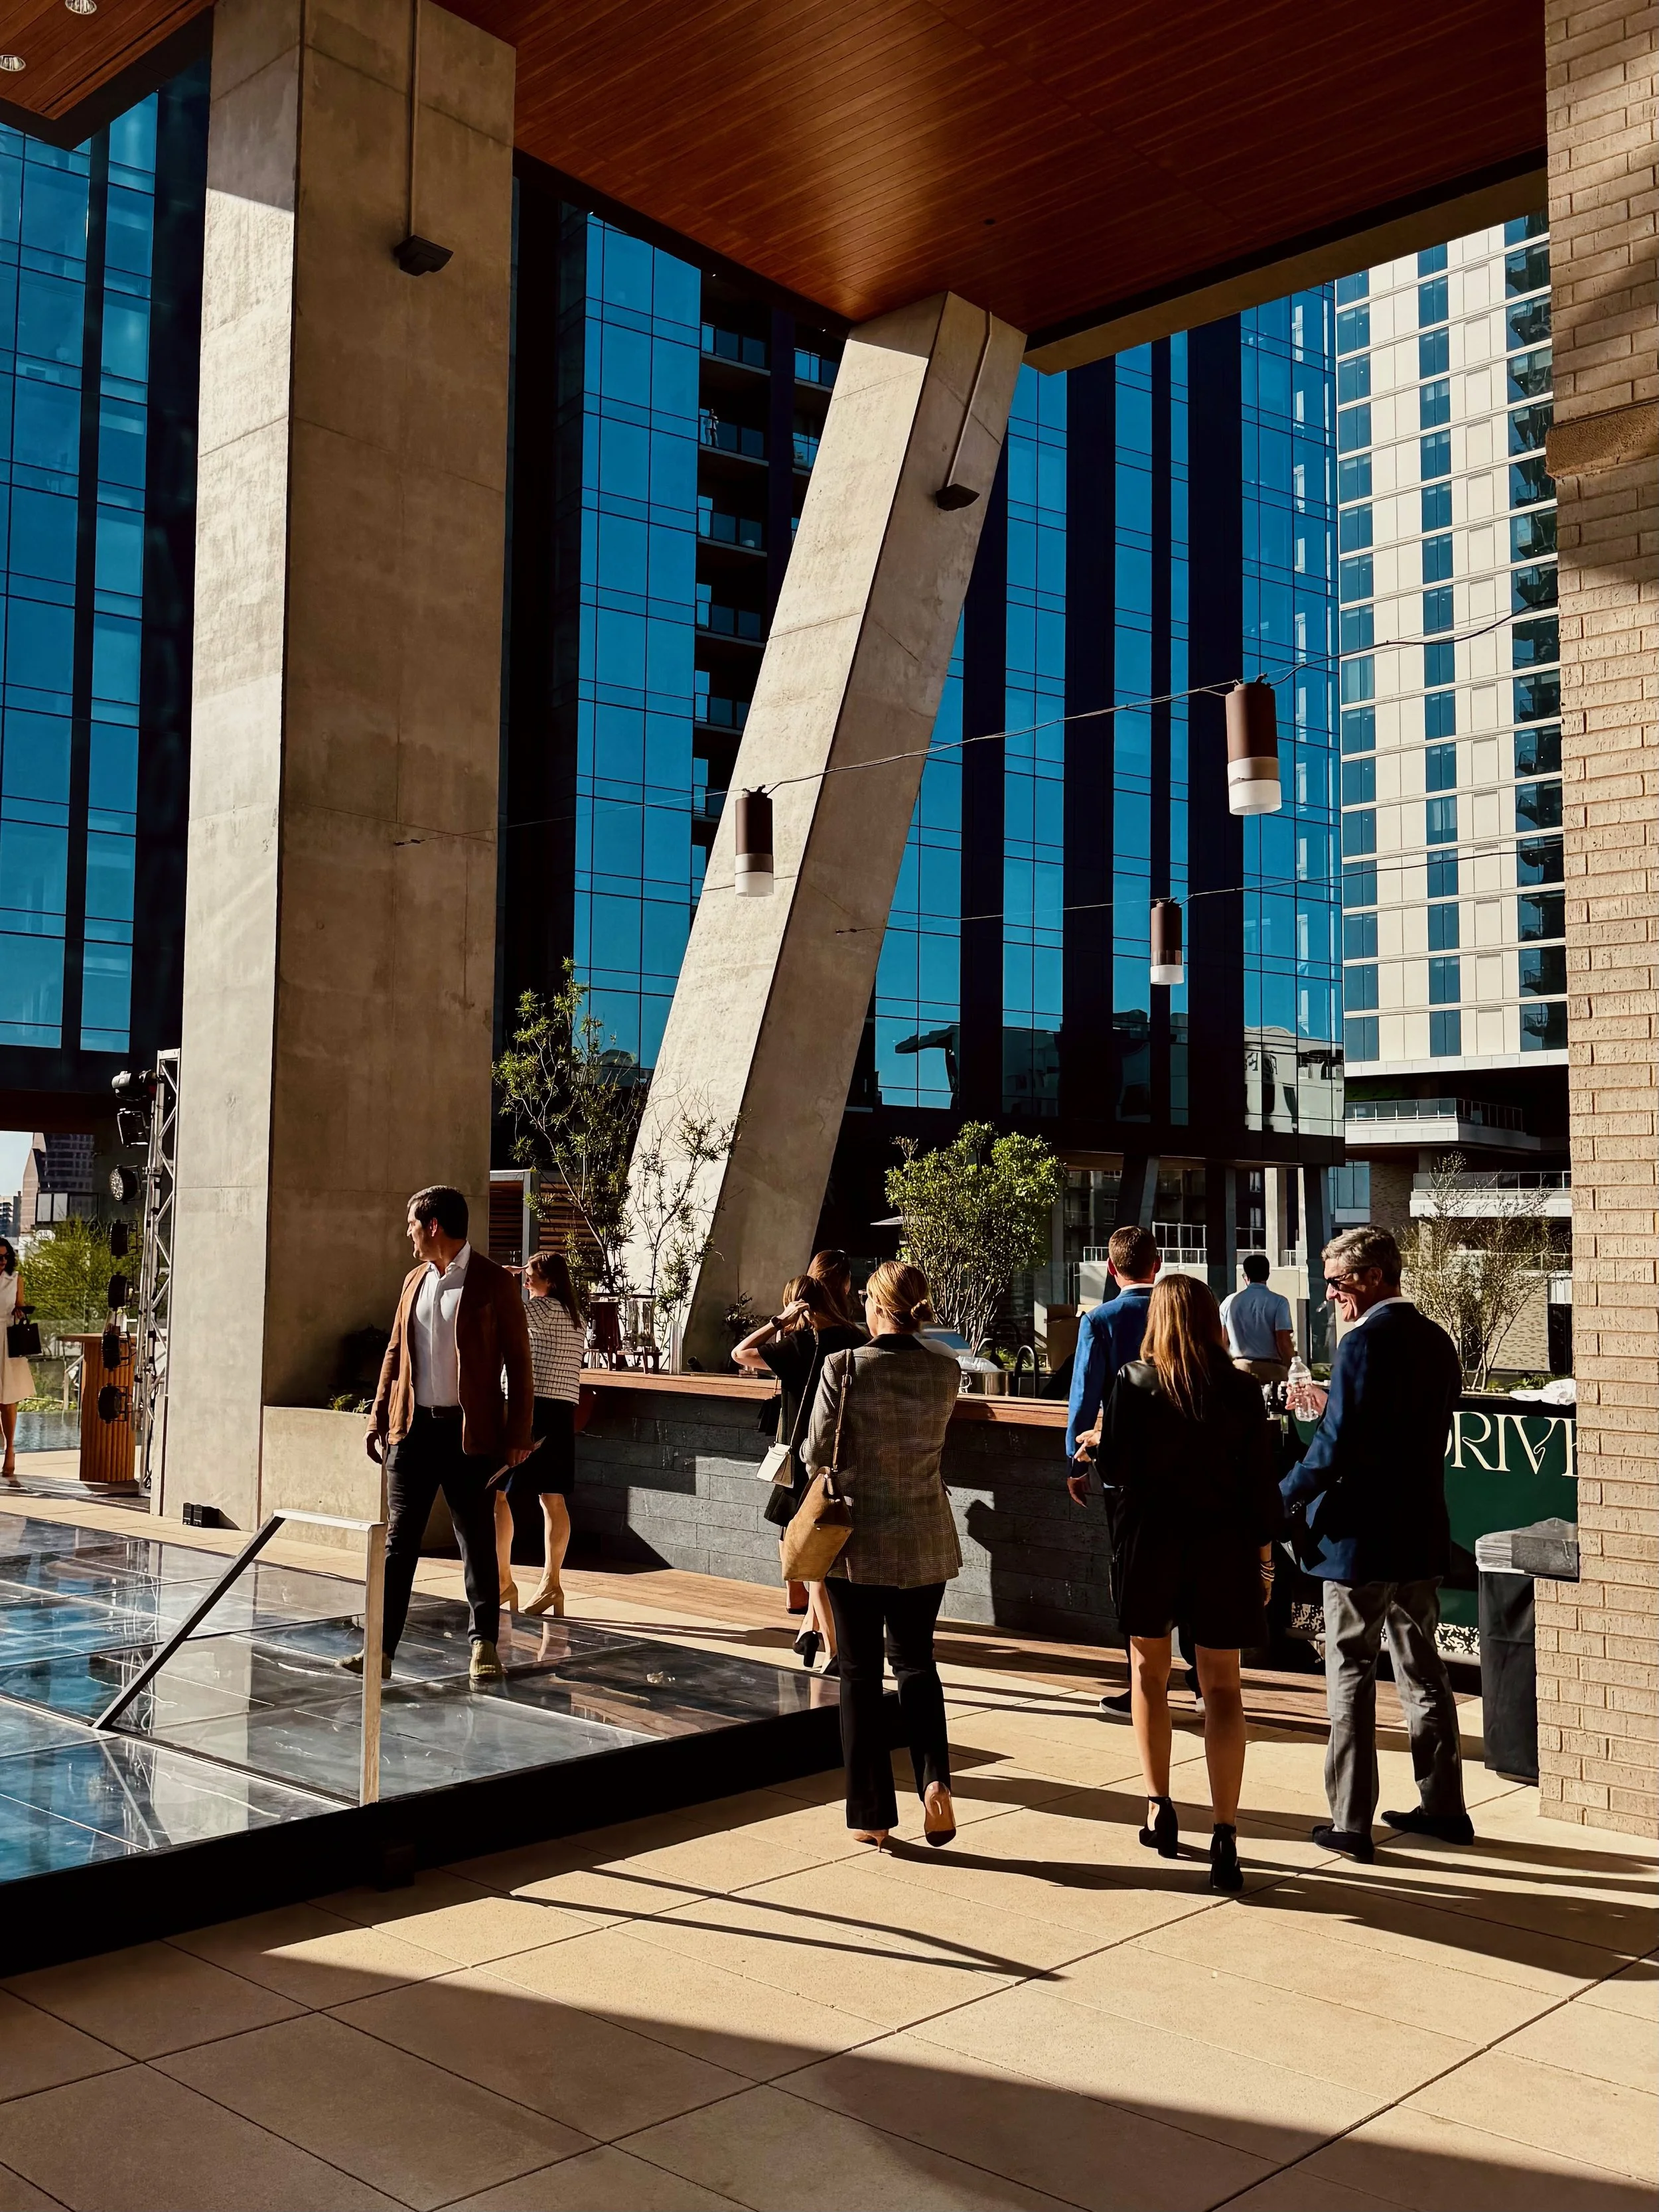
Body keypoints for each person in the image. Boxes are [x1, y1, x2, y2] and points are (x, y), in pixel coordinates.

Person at [1280, 1223, 1472, 1860]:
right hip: (1420, 1535)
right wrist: (1335, 1401)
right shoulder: (1438, 1340)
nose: (1332, 1294)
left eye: (1336, 1282)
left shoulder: (1363, 1343)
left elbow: (1337, 1451)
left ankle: (1350, 1823)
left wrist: (1281, 1495)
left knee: (1351, 1676)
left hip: (1359, 1542)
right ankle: (1445, 1807)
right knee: (1425, 1672)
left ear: (1370, 1277)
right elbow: (1412, 1426)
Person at [1094, 1272, 1281, 1892]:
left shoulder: (1132, 1382)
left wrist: (1096, 1439)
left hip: (1150, 1546)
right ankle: (1225, 1831)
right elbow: (1261, 1485)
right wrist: (1265, 1560)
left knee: (1148, 1675)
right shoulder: (1240, 1389)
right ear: (1210, 1321)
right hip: (1223, 1546)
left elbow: (1115, 1468)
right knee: (1223, 1688)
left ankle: (1160, 1807)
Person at [803, 1260, 962, 1847]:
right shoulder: (945, 1372)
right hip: (925, 1535)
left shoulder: (843, 1366)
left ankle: (871, 1813)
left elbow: (814, 1450)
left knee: (861, 1674)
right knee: (918, 1662)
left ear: (875, 1304)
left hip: (856, 1542)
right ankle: (934, 1781)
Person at [358, 1185, 533, 1684]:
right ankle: (381, 1651)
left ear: (433, 1225)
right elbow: (395, 1352)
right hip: (412, 1431)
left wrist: (518, 1430)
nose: (407, 1232)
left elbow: (520, 1363)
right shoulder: (414, 1280)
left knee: (475, 1538)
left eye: (412, 1223)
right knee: (398, 1542)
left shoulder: (493, 1282)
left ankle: (484, 1645)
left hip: (468, 1434)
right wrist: (378, 1417)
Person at [733, 1255, 864, 1670]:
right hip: (845, 1455)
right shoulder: (854, 1338)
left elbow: (741, 1353)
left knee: (812, 1558)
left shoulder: (796, 1345)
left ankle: (834, 1648)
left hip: (802, 1459)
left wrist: (778, 1320)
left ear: (797, 1306)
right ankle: (810, 1632)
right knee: (825, 1551)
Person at [1065, 1224, 1161, 1714]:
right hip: (1183, 1460)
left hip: (1123, 1463)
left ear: (1109, 1267)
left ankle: (1141, 1685)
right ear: (1157, 1262)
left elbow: (1084, 1392)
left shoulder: (1100, 1319)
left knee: (1129, 1572)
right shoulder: (1178, 1312)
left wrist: (1074, 1459)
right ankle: (1205, 1681)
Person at [492, 1251, 584, 1620]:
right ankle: (551, 1584)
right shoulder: (574, 1316)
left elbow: (501, 1314)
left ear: (552, 1281)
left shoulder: (543, 1311)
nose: (525, 1280)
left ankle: (503, 1581)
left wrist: (503, 1276)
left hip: (531, 1412)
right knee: (553, 1499)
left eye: (530, 1275)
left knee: (496, 1496)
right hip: (560, 1413)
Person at [1220, 1253, 1295, 1386]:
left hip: (1239, 1368)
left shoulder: (1229, 1302)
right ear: (1268, 1274)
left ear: (1246, 1275)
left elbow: (1223, 1340)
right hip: (1272, 1370)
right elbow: (1283, 1341)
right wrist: (1293, 1369)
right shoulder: (1279, 1302)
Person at [0, 1238, 31, 1482]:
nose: (2, 1262)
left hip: (7, 1339)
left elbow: (19, 1306)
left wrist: (21, 1310)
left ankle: (10, 1450)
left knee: (7, 1400)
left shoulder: (15, 1279)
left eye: (5, 1257)